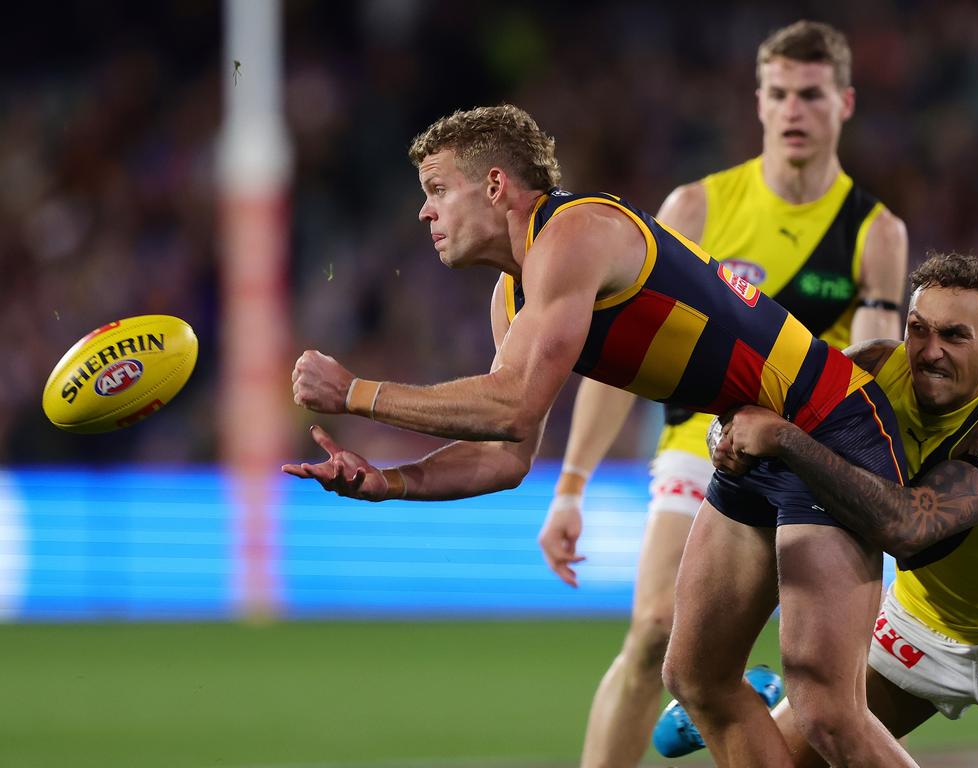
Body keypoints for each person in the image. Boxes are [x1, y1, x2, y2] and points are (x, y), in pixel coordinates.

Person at [282, 103, 917, 767]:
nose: (424, 212)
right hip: (751, 445)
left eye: (438, 190)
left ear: (495, 185)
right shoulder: (513, 293)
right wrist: (389, 482)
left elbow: (514, 407)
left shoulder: (577, 230)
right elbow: (505, 457)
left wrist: (357, 394)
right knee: (694, 677)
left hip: (828, 424)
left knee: (825, 708)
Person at [537, 20, 908, 767]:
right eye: (779, 94)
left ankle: (760, 696)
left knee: (822, 681)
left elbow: (870, 367)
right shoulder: (697, 209)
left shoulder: (875, 232)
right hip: (700, 445)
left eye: (811, 94)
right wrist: (571, 484)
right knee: (652, 632)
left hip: (813, 452)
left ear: (845, 103)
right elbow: (618, 359)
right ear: (759, 103)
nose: (794, 110)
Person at [714, 252, 978, 764]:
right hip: (920, 627)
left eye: (954, 336)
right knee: (785, 755)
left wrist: (785, 440)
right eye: (918, 329)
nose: (930, 352)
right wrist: (724, 438)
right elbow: (758, 409)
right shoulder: (877, 368)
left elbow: (908, 527)